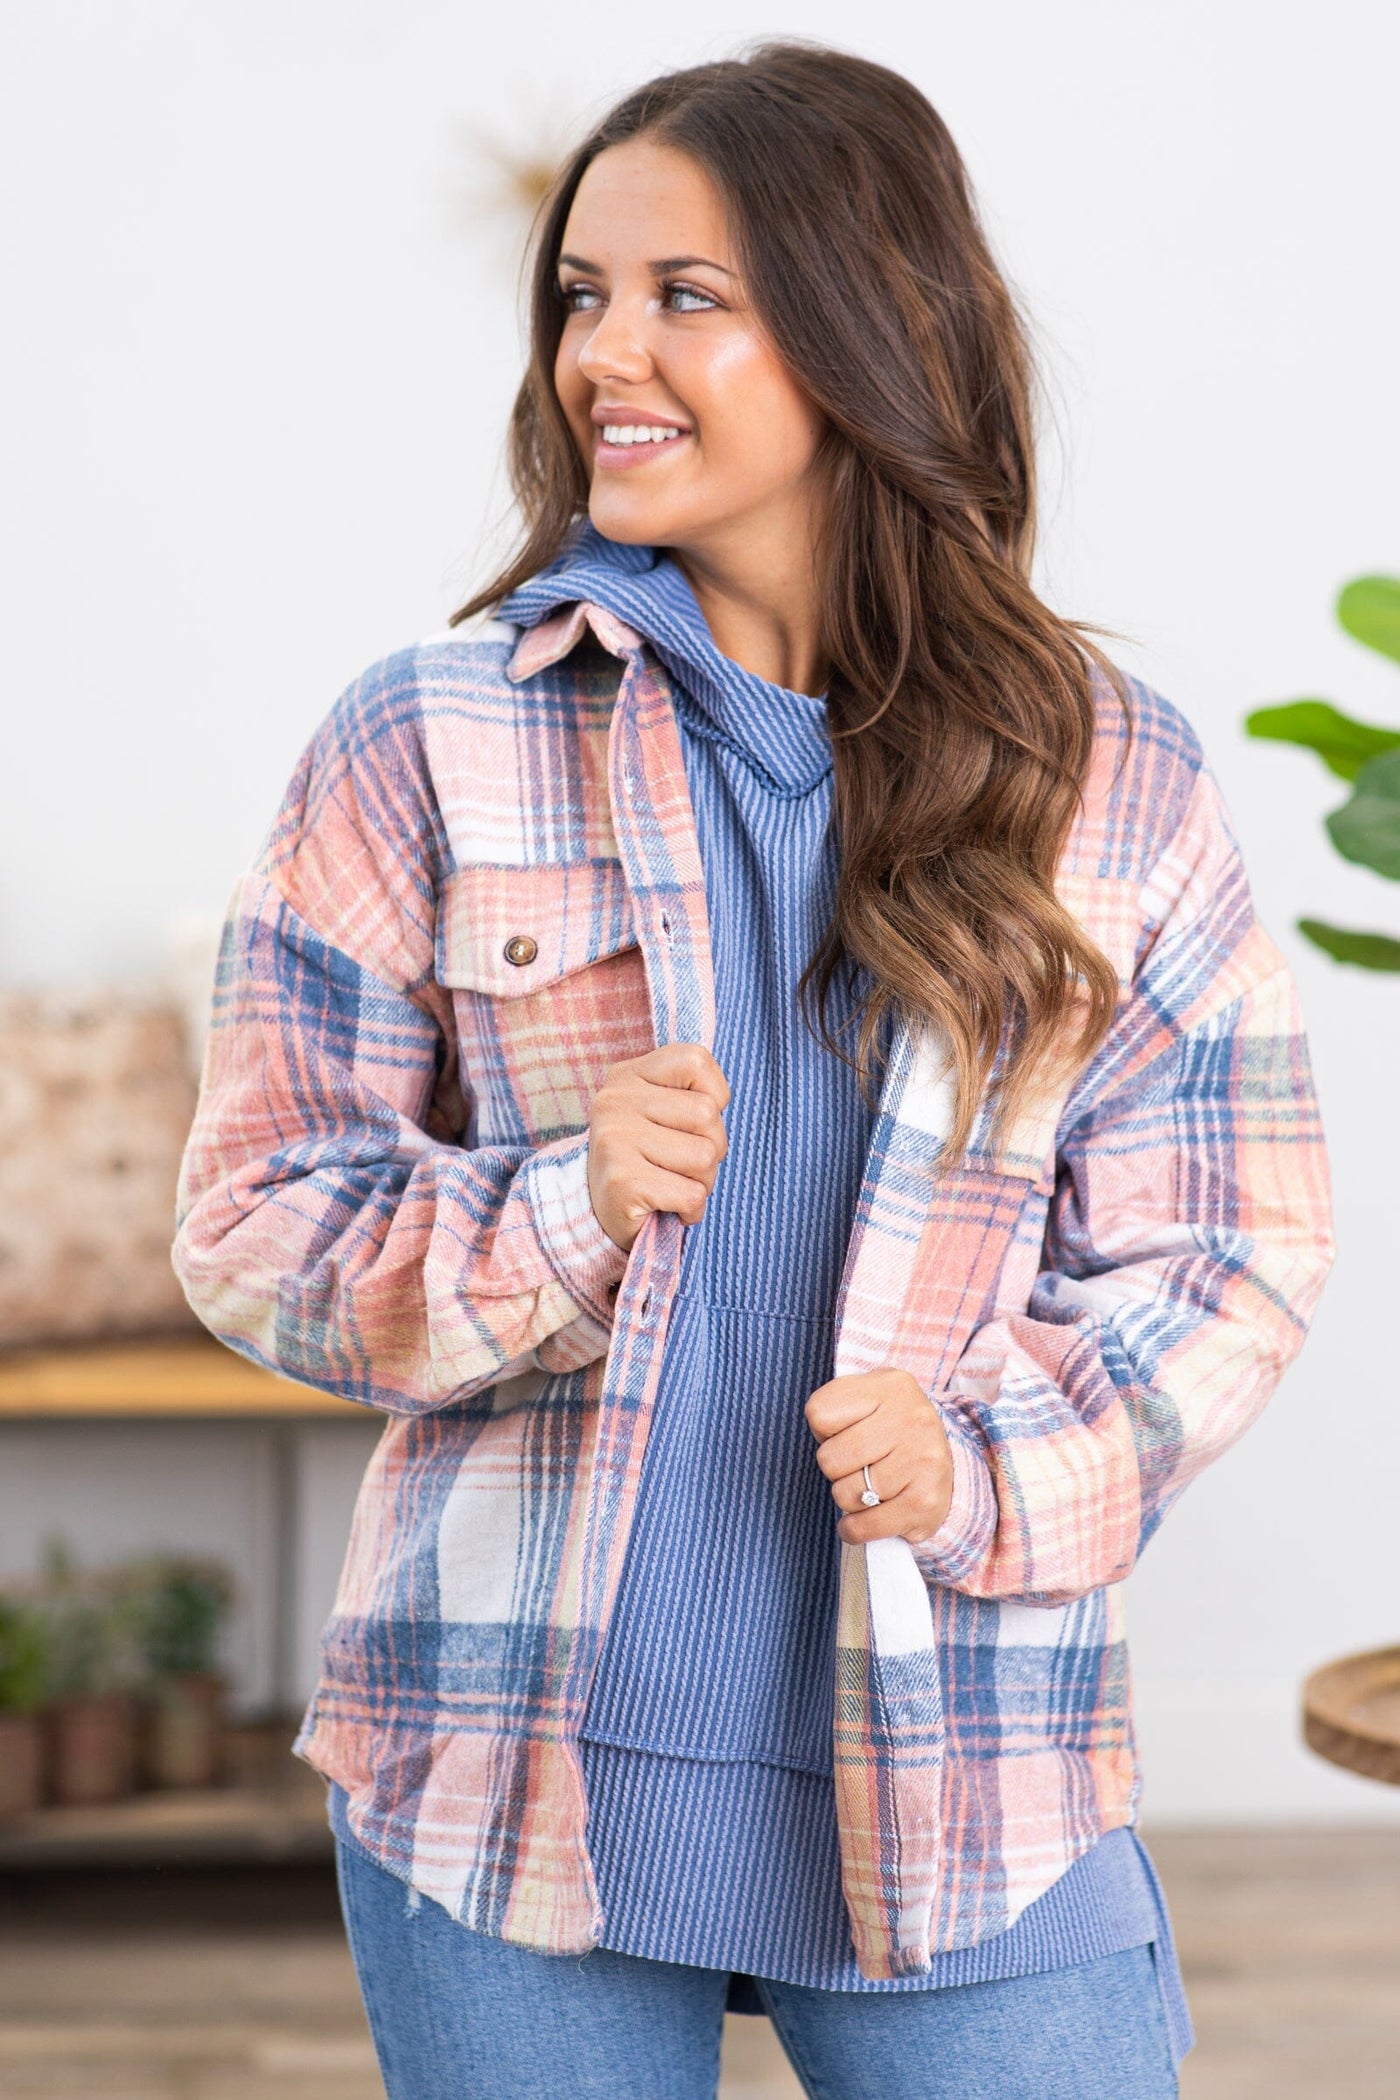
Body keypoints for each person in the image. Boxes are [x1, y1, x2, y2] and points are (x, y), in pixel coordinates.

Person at [172, 42, 1334, 2100]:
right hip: (503, 1774)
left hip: (973, 1774)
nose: (601, 355)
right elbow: (255, 1222)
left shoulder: (1106, 778)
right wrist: (563, 1208)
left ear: (872, 330)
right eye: (581, 295)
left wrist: (979, 1464)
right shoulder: (428, 738)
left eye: (684, 295)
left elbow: (1233, 1251)